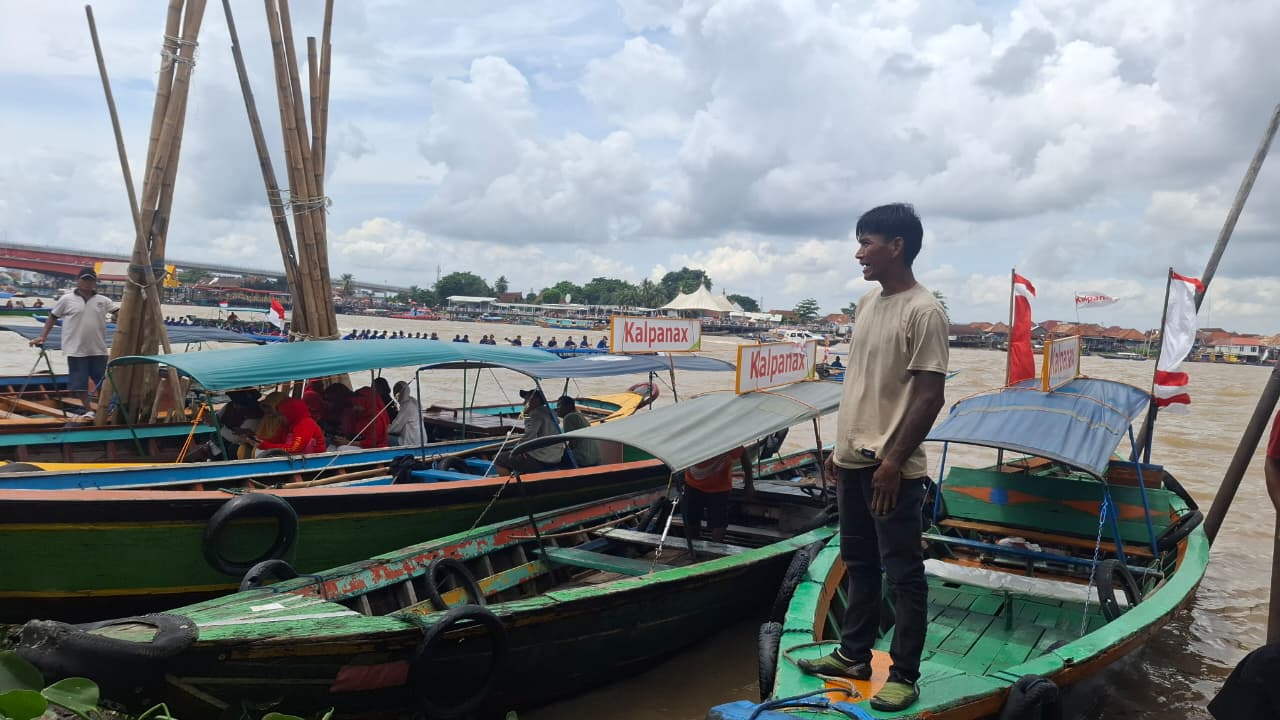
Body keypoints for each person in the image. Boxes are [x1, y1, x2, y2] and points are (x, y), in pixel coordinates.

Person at [796, 203, 948, 713]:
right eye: (859, 242)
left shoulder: (924, 311)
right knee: (859, 562)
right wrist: (839, 452)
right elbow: (861, 386)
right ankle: (853, 655)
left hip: (892, 471)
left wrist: (892, 462)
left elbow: (929, 396)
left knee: (903, 573)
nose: (859, 252)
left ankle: (904, 673)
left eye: (867, 242)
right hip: (854, 462)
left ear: (896, 247)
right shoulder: (867, 302)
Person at [30, 267, 119, 416]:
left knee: (101, 379)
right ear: (78, 281)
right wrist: (42, 336)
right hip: (75, 348)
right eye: (84, 279)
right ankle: (88, 410)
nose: (87, 283)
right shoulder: (66, 299)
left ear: (95, 282)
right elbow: (53, 317)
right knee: (80, 382)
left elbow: (120, 313)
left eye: (90, 280)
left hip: (98, 348)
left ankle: (106, 408)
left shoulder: (103, 301)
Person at [683, 447, 753, 545]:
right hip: (693, 484)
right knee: (691, 519)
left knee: (719, 522)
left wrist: (749, 484)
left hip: (719, 487)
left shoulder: (726, 439)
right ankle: (693, 548)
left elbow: (744, 455)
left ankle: (716, 548)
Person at [494, 388, 564, 474]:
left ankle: (508, 486)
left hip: (541, 459)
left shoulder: (535, 414)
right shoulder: (551, 411)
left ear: (536, 400)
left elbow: (529, 436)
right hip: (556, 456)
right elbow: (523, 417)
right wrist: (528, 409)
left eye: (527, 400)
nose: (524, 403)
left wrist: (517, 449)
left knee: (499, 459)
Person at [253, 398, 326, 456]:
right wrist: (257, 441)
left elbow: (295, 448)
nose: (279, 418)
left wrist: (266, 446)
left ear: (291, 413)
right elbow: (277, 440)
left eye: (282, 415)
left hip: (312, 462)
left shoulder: (306, 423)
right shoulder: (289, 424)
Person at [555, 395, 600, 467]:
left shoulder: (569, 417)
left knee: (556, 458)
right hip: (594, 457)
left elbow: (573, 443)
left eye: (559, 406)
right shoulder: (579, 415)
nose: (557, 409)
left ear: (568, 407)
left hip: (584, 459)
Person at [388, 381, 425, 447]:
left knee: (383, 437)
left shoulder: (406, 406)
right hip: (422, 440)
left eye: (397, 392)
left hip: (411, 442)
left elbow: (395, 427)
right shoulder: (413, 400)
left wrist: (384, 429)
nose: (396, 394)